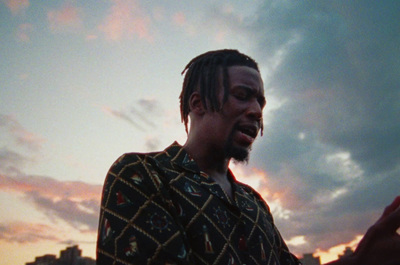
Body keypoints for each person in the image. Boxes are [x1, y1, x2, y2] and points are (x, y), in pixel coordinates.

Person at [96, 49, 400, 265]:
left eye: (260, 101)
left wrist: (359, 260)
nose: (256, 111)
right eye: (242, 95)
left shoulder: (253, 203)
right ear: (198, 103)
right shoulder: (143, 174)